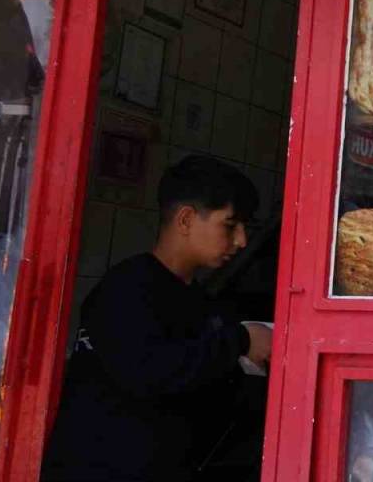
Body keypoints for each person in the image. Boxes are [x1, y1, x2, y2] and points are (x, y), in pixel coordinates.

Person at [41, 155, 273, 482]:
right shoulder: (125, 290)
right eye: (230, 225)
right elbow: (149, 370)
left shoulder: (202, 301)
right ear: (186, 220)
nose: (242, 241)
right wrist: (242, 340)